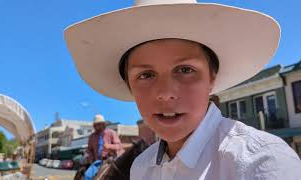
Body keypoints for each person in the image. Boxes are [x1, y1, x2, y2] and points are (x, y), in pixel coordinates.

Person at [64, 0, 301, 179]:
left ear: (212, 79)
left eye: (185, 70)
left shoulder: (262, 164)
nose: (166, 92)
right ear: (129, 86)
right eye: (145, 75)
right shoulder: (140, 166)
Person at [84, 114, 123, 179]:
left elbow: (119, 146)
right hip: (97, 161)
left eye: (99, 124)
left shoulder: (111, 133)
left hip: (111, 160)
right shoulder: (92, 136)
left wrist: (109, 146)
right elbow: (89, 150)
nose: (98, 126)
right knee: (87, 175)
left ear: (103, 124)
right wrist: (90, 158)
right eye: (96, 124)